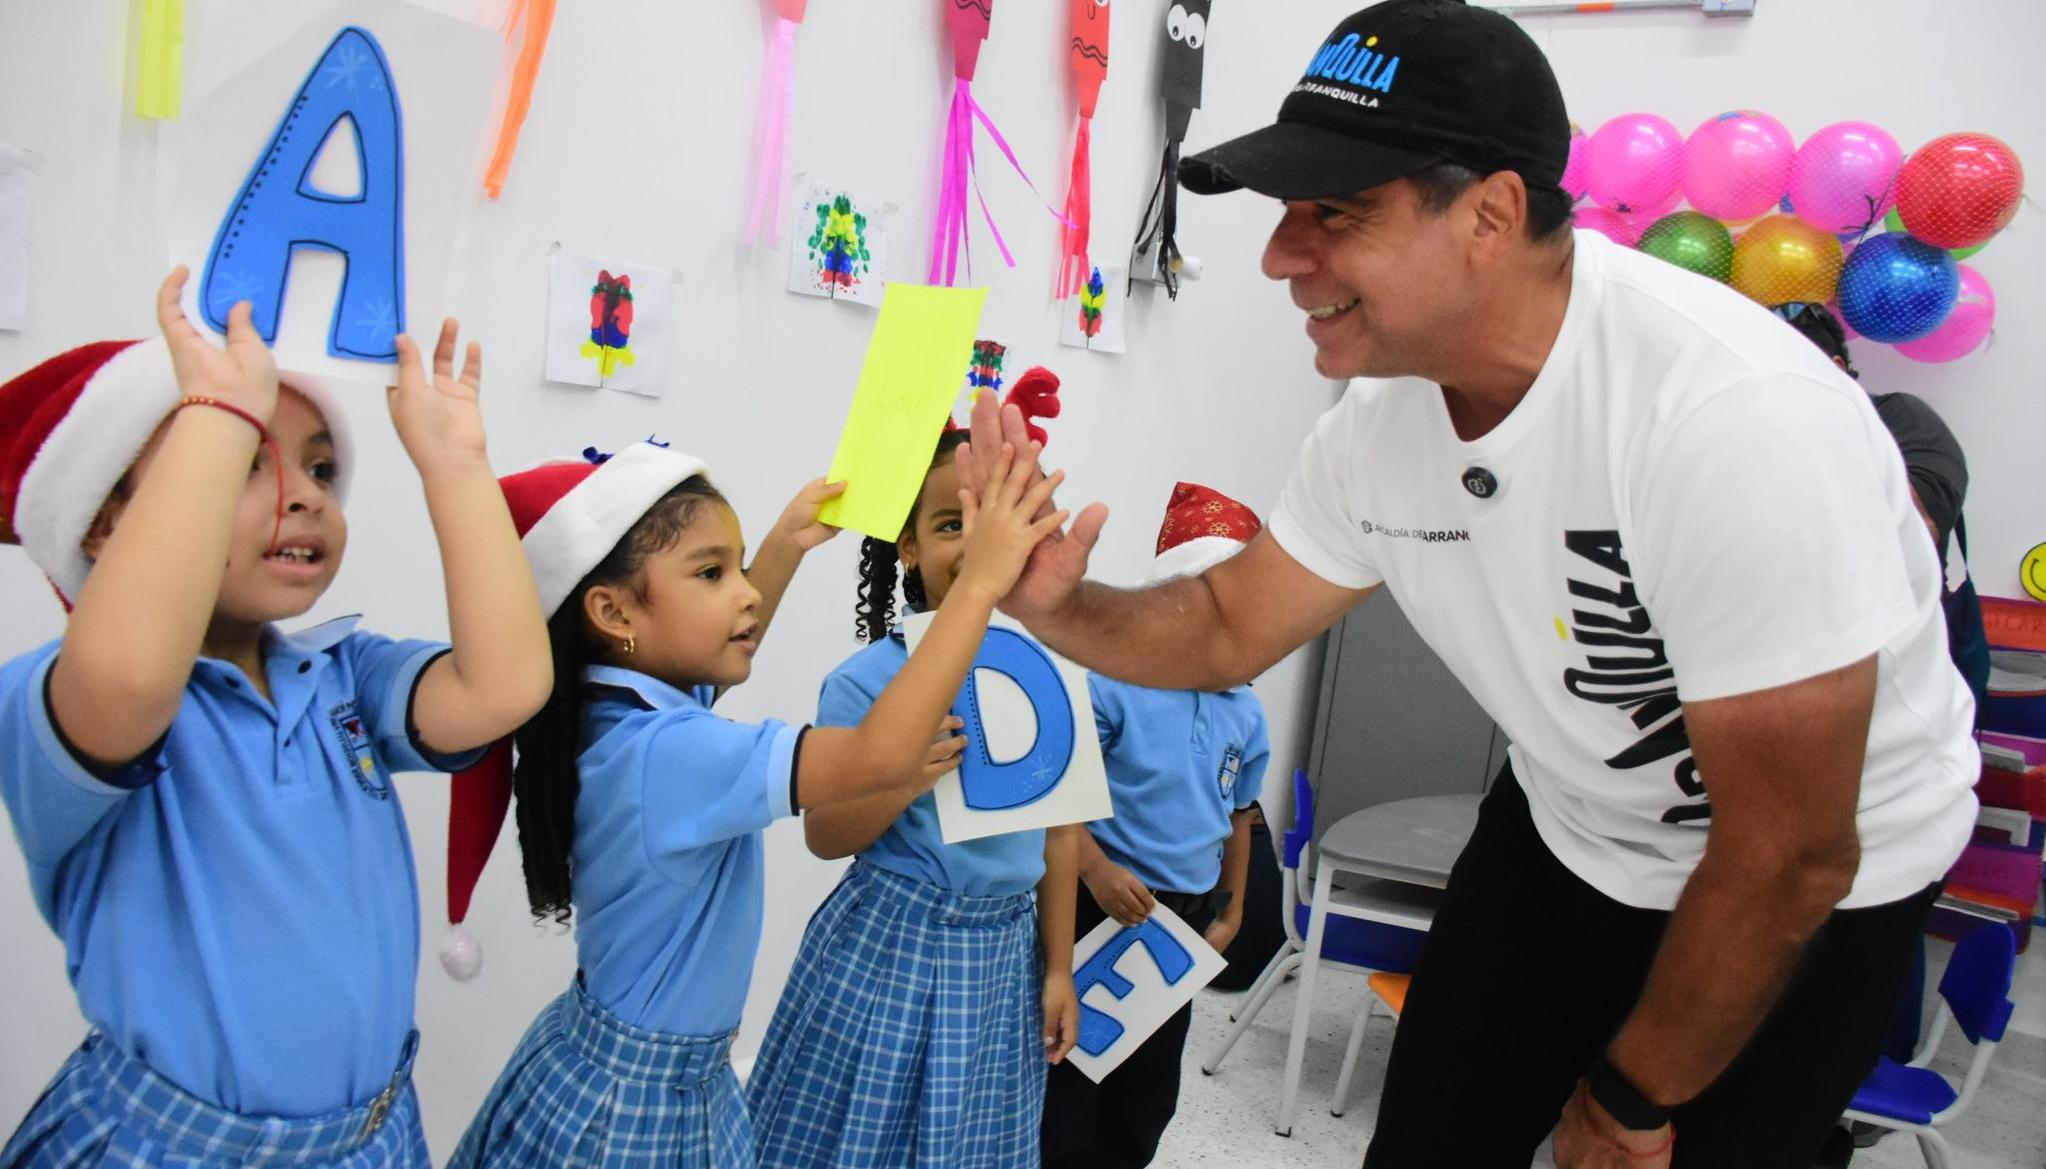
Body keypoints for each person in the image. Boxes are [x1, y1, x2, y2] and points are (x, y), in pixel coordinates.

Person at [955, 2, 1980, 1165]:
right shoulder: (1379, 424)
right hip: (1572, 833)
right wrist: (1058, 602)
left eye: (1333, 213)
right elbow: (1229, 621)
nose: (1282, 256)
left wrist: (1631, 1099)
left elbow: (1792, 848)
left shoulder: (1732, 417)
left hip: (1810, 890)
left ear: (1491, 214)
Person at [0, 269, 552, 1167]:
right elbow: (132, 673)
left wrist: (454, 465)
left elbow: (503, 687)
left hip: (372, 1139)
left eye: (322, 468)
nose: (302, 494)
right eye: (243, 459)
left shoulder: (343, 674)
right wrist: (217, 409)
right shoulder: (68, 697)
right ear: (104, 524)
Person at [441, 437, 1071, 1169]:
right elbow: (878, 755)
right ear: (613, 612)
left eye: (739, 569)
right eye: (712, 573)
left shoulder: (620, 710)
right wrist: (976, 586)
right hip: (636, 1108)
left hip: (619, 1064)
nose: (744, 594)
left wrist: (783, 545)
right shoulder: (673, 755)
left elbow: (715, 661)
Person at [746, 407, 1082, 1169]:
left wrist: (1058, 965)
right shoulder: (866, 681)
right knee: (853, 1137)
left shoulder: (1049, 672)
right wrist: (896, 776)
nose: (979, 545)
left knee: (971, 1141)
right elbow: (824, 835)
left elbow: (1061, 830)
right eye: (950, 524)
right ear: (909, 547)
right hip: (887, 945)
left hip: (1002, 958)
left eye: (995, 520)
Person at [1040, 482, 1270, 1169]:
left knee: (1147, 1090)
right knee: (1069, 1079)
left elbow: (1240, 814)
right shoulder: (1113, 681)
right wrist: (1098, 870)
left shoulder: (1246, 709)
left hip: (1181, 924)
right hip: (1094, 909)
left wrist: (1228, 908)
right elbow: (1058, 801)